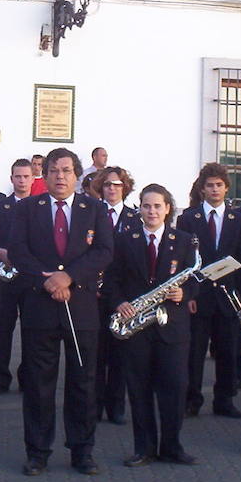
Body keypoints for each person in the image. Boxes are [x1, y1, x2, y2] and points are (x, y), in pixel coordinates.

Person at [8, 147, 114, 476]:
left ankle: (82, 450)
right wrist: (49, 282)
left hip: (81, 306)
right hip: (40, 306)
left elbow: (104, 251)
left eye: (66, 171)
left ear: (76, 175)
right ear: (46, 174)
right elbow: (18, 251)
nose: (60, 177)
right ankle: (38, 451)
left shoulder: (94, 208)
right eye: (54, 170)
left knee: (83, 380)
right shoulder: (28, 208)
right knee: (39, 382)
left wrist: (69, 276)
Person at [109, 184, 199, 467]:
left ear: (167, 208)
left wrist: (185, 294)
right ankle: (144, 448)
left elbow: (196, 279)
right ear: (140, 209)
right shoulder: (125, 239)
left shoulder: (184, 240)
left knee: (174, 387)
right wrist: (119, 302)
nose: (152, 211)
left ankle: (172, 447)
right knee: (139, 389)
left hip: (172, 327)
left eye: (157, 206)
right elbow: (111, 280)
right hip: (137, 326)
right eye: (146, 206)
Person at [176, 162, 241, 420]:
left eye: (219, 185)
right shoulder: (188, 218)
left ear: (226, 188)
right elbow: (184, 261)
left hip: (228, 296)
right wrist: (188, 294)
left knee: (228, 350)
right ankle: (191, 399)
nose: (215, 189)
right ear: (202, 189)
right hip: (199, 296)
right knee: (194, 352)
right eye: (210, 185)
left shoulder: (240, 220)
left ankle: (225, 400)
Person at [0, 159, 34, 397]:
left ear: (33, 179)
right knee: (3, 330)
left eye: (26, 177)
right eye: (17, 177)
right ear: (11, 179)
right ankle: (0, 377)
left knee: (33, 331)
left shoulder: (41, 207)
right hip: (5, 280)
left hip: (32, 280)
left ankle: (29, 378)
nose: (22, 181)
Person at [94, 166, 137, 425]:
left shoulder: (135, 217)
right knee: (96, 353)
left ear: (125, 188)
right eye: (108, 184)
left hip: (122, 294)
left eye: (117, 185)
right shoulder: (92, 214)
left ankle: (117, 406)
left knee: (121, 352)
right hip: (94, 294)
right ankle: (95, 405)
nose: (112, 188)